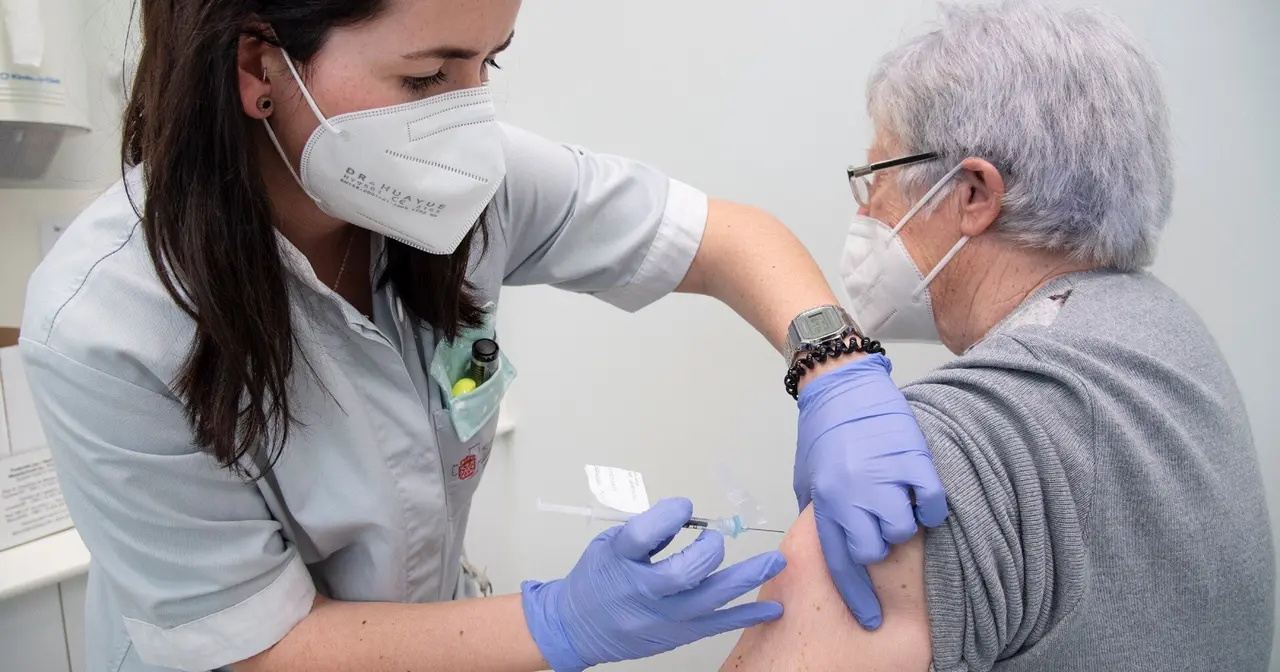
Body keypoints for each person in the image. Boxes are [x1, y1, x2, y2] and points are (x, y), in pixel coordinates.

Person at [18, 1, 947, 671]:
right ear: (261, 68)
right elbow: (262, 644)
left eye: (486, 64)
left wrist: (836, 366)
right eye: (426, 76)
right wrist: (561, 623)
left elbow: (722, 239)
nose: (467, 116)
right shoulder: (105, 323)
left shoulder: (466, 185)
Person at [722, 3, 1275, 671]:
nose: (864, 211)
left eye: (878, 180)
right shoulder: (1168, 339)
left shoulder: (920, 462)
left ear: (976, 194)